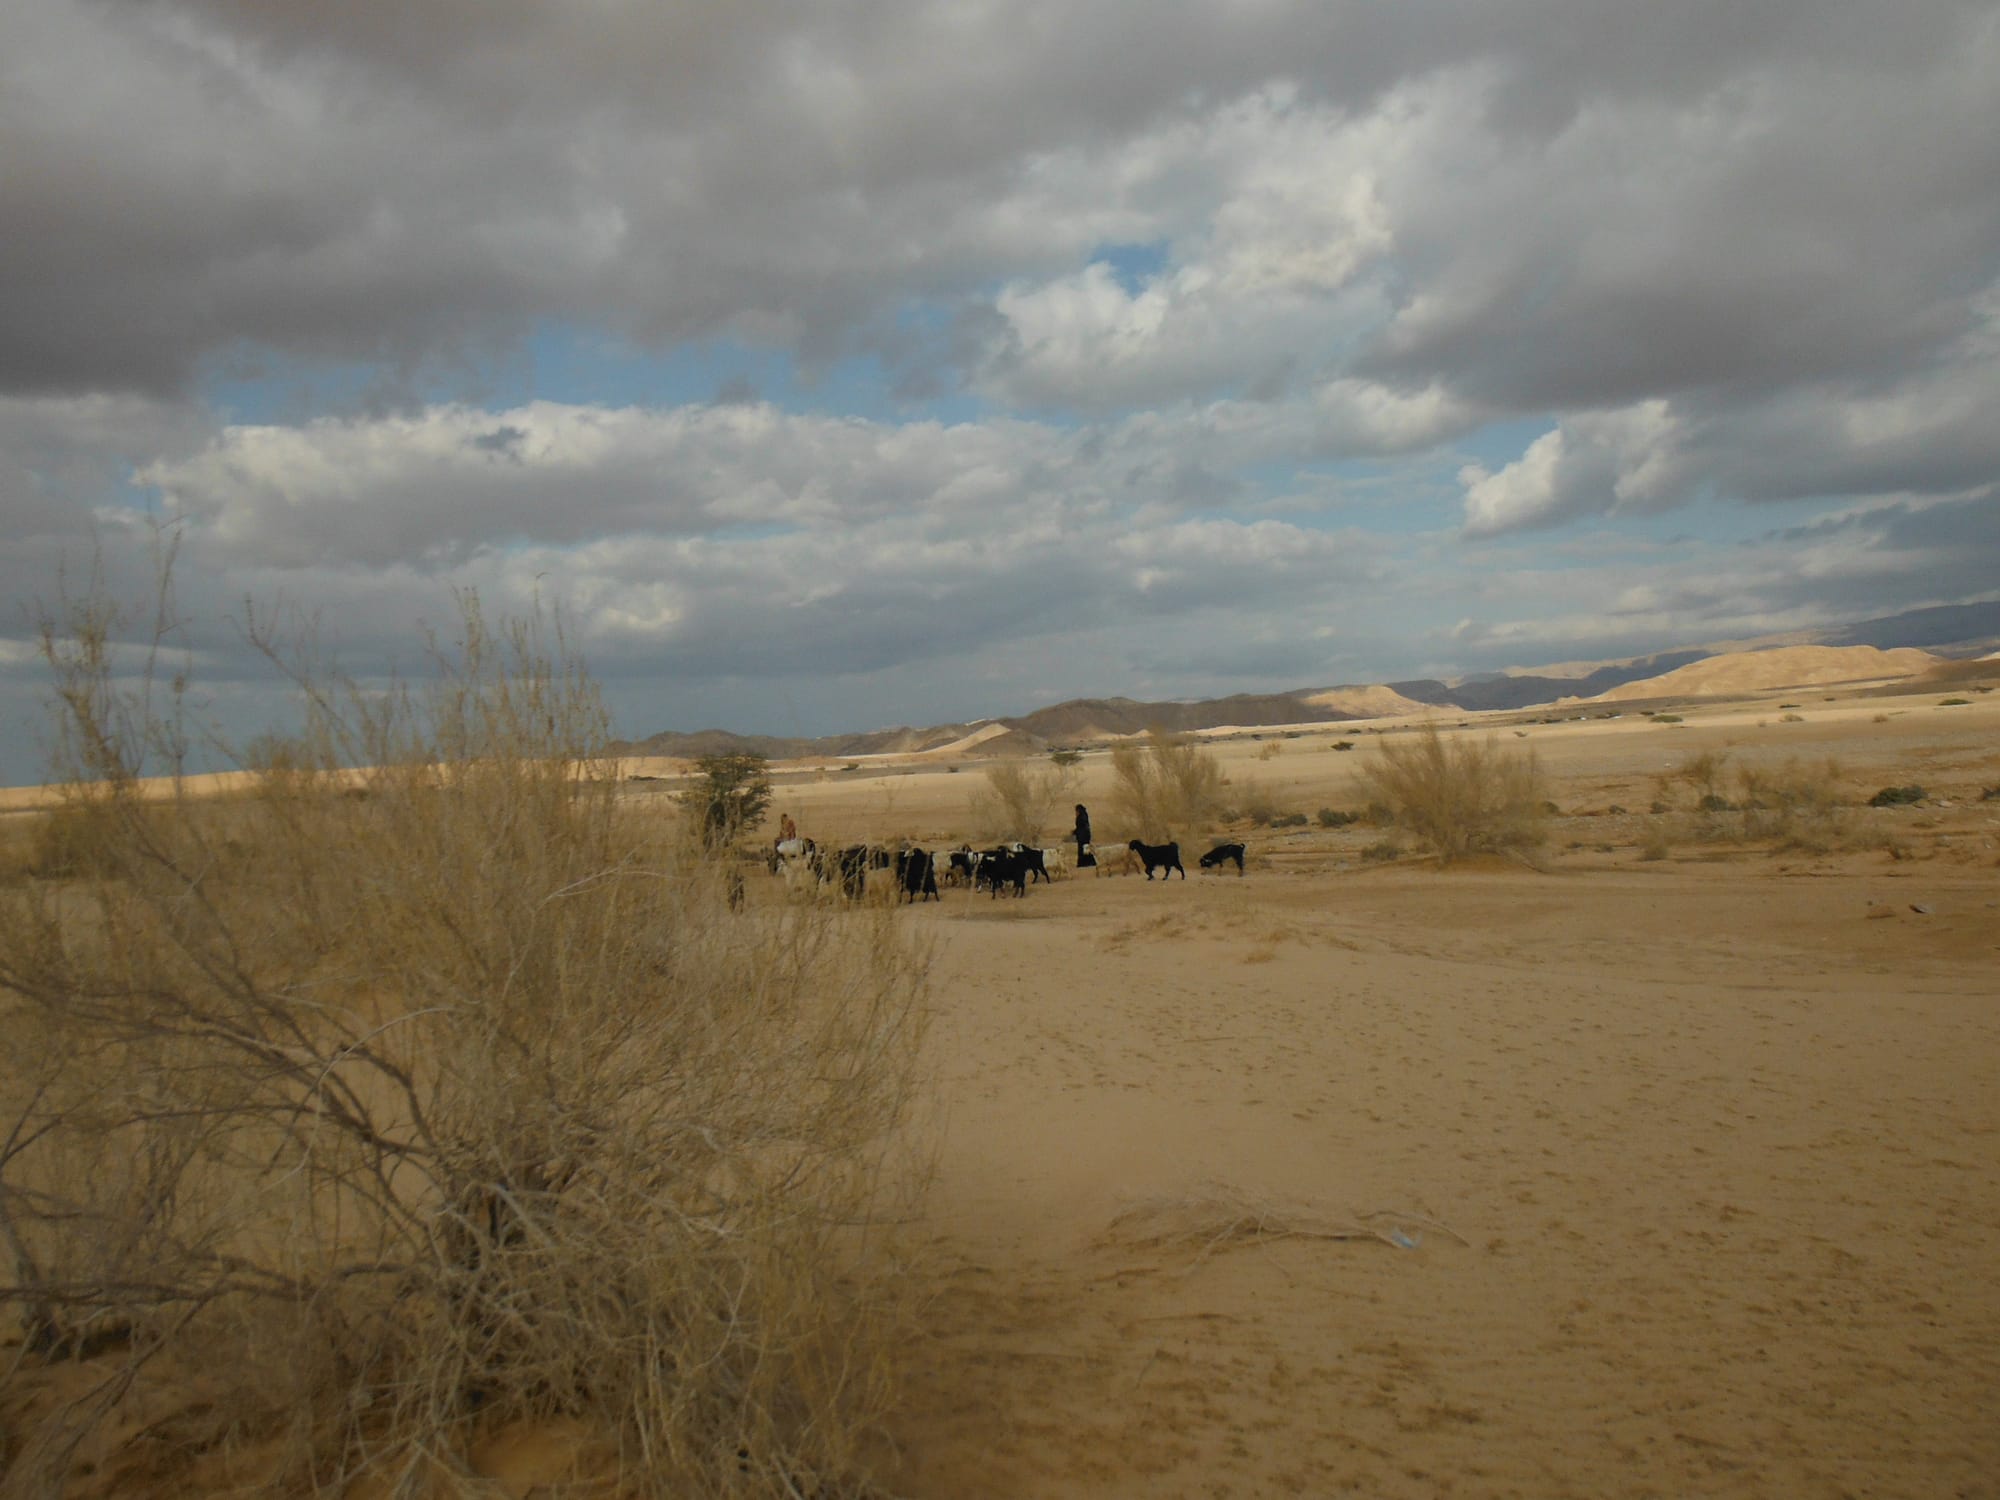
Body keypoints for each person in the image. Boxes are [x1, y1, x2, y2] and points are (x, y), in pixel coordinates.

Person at [1073, 803, 1095, 870]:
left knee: (1083, 850)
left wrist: (1075, 832)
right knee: (1085, 849)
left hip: (1083, 836)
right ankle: (1089, 862)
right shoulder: (1084, 815)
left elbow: (1081, 826)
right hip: (1084, 835)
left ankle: (1084, 863)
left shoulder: (1082, 816)